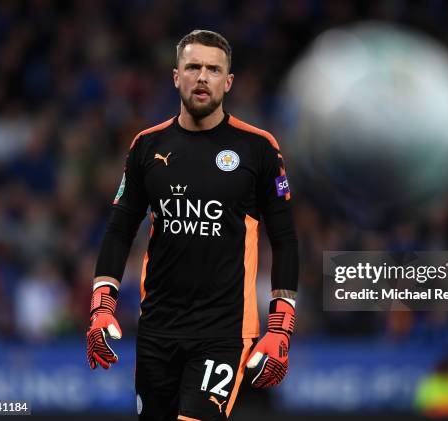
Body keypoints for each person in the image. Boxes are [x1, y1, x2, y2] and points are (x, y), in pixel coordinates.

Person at [86, 29, 299, 421]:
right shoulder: (147, 146)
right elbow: (119, 229)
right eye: (193, 67)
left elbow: (285, 239)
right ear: (176, 76)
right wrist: (102, 307)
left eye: (213, 69)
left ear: (228, 81)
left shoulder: (259, 148)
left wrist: (280, 326)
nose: (202, 77)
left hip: (224, 331)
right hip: (157, 329)